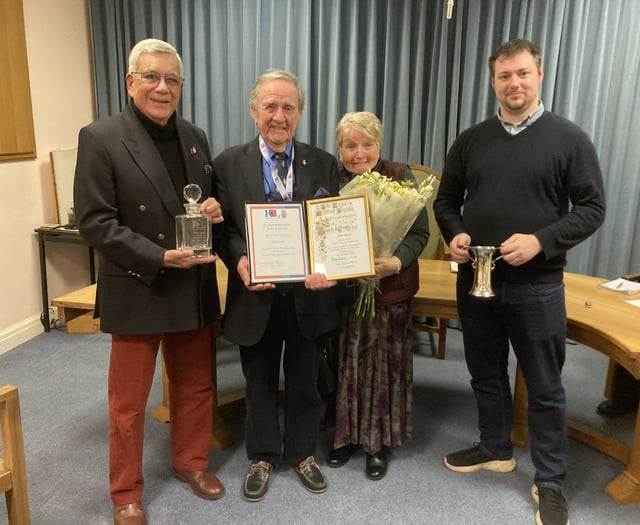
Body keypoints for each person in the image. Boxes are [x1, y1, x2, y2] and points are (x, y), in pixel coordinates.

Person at [433, 39, 606, 525]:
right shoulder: (470, 140)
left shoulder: (569, 138)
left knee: (546, 386)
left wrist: (541, 240)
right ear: (493, 82)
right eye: (505, 76)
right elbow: (446, 202)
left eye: (523, 74)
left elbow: (593, 209)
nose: (514, 84)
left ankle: (549, 480)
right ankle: (494, 447)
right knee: (484, 373)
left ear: (540, 75)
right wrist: (456, 232)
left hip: (538, 286)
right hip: (477, 280)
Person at [73, 38, 225, 525]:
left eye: (172, 79)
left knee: (196, 386)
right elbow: (95, 223)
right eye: (152, 77)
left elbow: (203, 200)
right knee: (129, 402)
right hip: (140, 282)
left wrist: (214, 209)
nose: (163, 87)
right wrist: (158, 256)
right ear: (130, 82)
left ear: (181, 86)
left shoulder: (196, 134)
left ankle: (191, 463)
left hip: (192, 284)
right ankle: (126, 492)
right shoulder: (100, 136)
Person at [212, 69, 341, 502]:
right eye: (270, 106)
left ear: (299, 113)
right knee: (259, 377)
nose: (279, 115)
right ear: (254, 111)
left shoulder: (323, 163)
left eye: (288, 106)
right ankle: (263, 454)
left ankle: (303, 453)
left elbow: (330, 229)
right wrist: (240, 261)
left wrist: (328, 264)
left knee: (305, 379)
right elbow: (225, 229)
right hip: (256, 294)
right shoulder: (229, 163)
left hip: (308, 295)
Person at [326, 112, 429, 480]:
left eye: (366, 144)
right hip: (347, 293)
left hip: (391, 292)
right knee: (348, 363)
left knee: (383, 367)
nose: (359, 153)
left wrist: (394, 261)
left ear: (379, 145)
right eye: (350, 146)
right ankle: (346, 436)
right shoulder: (332, 181)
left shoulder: (401, 177)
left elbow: (419, 234)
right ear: (340, 149)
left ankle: (377, 442)